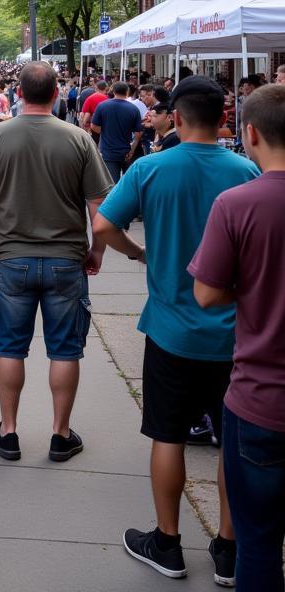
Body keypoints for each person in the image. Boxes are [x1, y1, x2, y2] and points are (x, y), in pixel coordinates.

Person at [92, 76, 261, 587]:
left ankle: (167, 543)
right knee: (231, 441)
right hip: (234, 333)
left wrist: (138, 253)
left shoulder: (150, 168)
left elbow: (101, 226)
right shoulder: (246, 170)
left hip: (170, 328)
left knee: (167, 435)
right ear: (224, 119)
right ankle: (229, 550)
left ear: (178, 118)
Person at [0, 62, 112, 464]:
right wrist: (97, 250)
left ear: (19, 92)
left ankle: (9, 431)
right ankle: (60, 434)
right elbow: (100, 204)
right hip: (66, 260)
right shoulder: (79, 139)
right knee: (65, 350)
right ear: (55, 94)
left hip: (13, 259)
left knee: (9, 347)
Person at [189, 84, 285, 591]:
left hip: (260, 399)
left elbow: (206, 294)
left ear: (249, 133)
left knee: (259, 544)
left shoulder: (239, 203)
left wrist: (251, 290)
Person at [90, 82, 143, 182]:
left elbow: (93, 126)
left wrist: (104, 131)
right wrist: (133, 149)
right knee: (128, 183)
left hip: (108, 151)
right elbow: (138, 133)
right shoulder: (133, 109)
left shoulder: (102, 106)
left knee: (112, 183)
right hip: (126, 151)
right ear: (127, 92)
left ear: (113, 91)